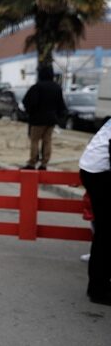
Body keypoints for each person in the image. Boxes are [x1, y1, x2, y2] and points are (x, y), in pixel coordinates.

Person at [78, 119, 111, 306]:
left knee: (104, 233)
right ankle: (98, 289)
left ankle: (99, 285)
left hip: (92, 170)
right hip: (99, 174)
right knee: (106, 234)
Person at [21, 66, 67, 170]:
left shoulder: (37, 87)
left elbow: (28, 102)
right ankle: (44, 164)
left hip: (37, 120)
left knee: (35, 141)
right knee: (47, 141)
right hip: (51, 120)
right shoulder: (57, 88)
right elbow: (61, 105)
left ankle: (32, 162)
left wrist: (29, 113)